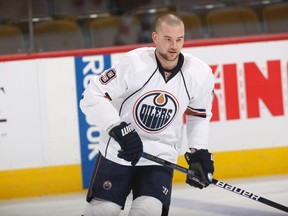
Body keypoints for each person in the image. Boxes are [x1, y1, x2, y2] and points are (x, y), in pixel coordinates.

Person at [80, 13, 215, 216]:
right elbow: (91, 95)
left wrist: (199, 152)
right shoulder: (134, 63)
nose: (174, 46)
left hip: (160, 156)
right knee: (104, 211)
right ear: (155, 38)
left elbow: (199, 115)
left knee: (148, 212)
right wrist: (119, 129)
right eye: (168, 39)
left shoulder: (199, 73)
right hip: (119, 151)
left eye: (179, 39)